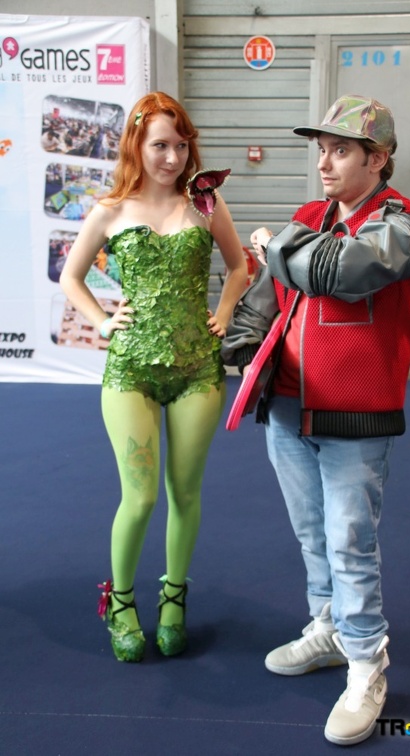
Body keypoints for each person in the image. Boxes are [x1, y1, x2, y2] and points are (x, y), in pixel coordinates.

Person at [221, 94, 410, 746]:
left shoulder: (401, 225)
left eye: (341, 150)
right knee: (313, 533)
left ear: (379, 157)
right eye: (322, 149)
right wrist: (241, 344)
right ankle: (331, 628)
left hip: (354, 414)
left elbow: (336, 270)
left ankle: (367, 663)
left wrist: (271, 241)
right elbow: (265, 295)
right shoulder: (310, 217)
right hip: (286, 407)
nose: (324, 163)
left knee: (349, 540)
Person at [60, 92, 248, 663]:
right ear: (136, 145)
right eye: (160, 145)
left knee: (185, 493)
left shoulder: (206, 204)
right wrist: (102, 321)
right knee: (139, 497)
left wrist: (223, 313)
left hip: (198, 371)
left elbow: (238, 266)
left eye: (181, 145)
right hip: (131, 372)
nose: (172, 157)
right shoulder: (110, 210)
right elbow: (71, 278)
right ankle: (119, 602)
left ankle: (173, 599)